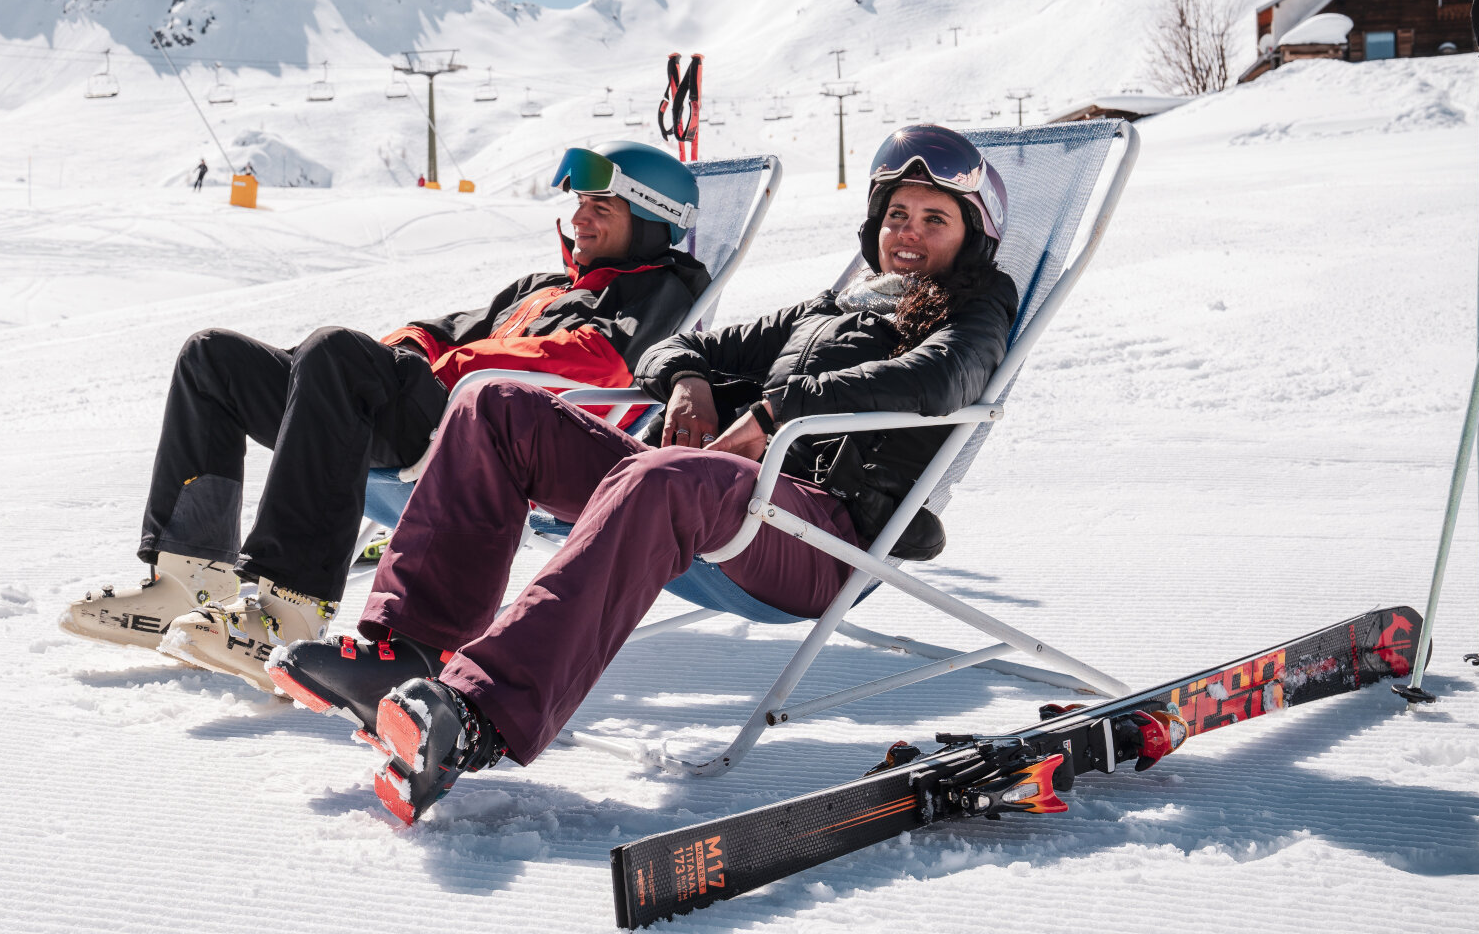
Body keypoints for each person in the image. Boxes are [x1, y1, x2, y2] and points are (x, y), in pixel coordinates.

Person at [271, 125, 1018, 824]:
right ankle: (406, 651)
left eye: (934, 219)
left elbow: (936, 380)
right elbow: (677, 346)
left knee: (663, 476)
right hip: (726, 497)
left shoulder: (977, 308)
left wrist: (772, 414)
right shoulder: (832, 309)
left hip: (823, 533)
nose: (908, 232)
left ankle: (477, 717)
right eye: (897, 215)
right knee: (495, 406)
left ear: (972, 236)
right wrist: (689, 383)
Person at [60, 140, 710, 691]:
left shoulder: (655, 288)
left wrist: (445, 367)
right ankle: (190, 582)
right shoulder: (543, 286)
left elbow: (596, 363)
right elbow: (443, 327)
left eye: (601, 208)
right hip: (433, 403)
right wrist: (407, 351)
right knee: (214, 359)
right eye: (580, 204)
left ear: (650, 222)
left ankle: (287, 613)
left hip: (481, 429)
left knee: (336, 353)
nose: (580, 219)